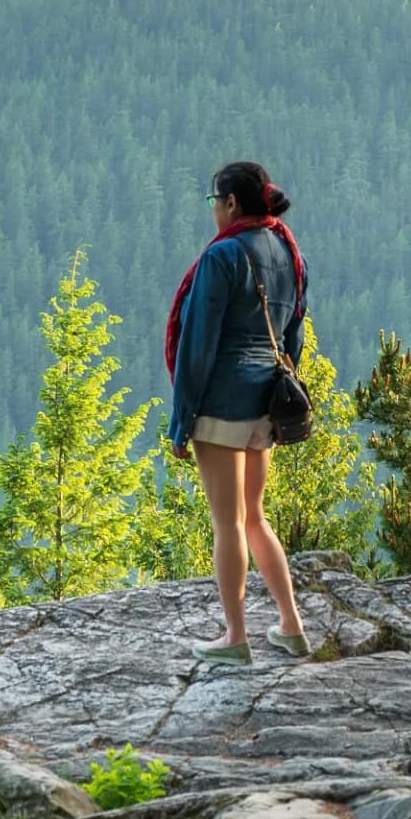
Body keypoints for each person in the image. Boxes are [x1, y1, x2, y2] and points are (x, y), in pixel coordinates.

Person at [164, 160, 310, 666]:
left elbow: (197, 344)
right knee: (256, 518)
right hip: (262, 404)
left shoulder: (223, 256)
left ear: (230, 203)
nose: (213, 213)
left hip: (222, 405)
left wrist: (182, 420)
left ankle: (235, 637)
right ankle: (291, 626)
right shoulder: (289, 251)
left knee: (226, 523)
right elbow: (293, 335)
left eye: (214, 203)